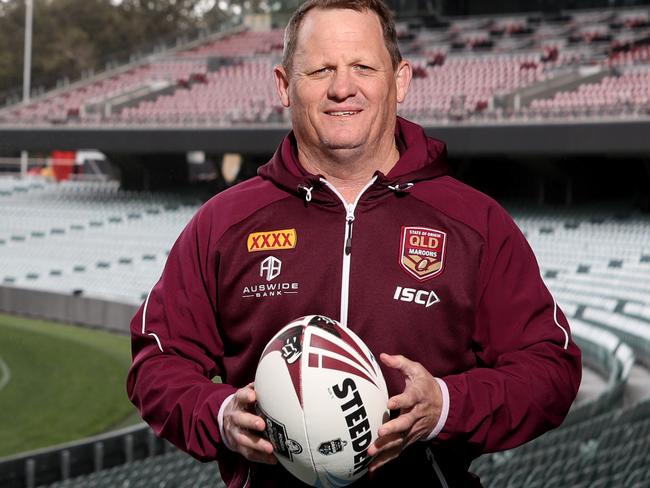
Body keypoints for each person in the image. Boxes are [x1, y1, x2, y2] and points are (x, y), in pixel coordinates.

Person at [126, 0, 582, 486]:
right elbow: (156, 362)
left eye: (363, 67)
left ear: (400, 80)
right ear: (284, 85)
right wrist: (220, 416)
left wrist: (445, 406)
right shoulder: (223, 223)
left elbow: (549, 368)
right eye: (321, 69)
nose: (343, 88)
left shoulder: (476, 223)